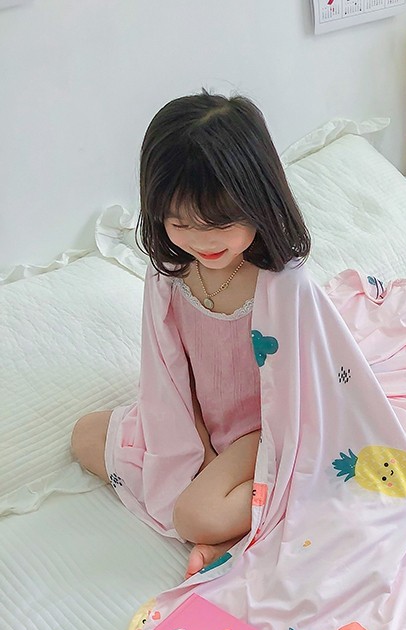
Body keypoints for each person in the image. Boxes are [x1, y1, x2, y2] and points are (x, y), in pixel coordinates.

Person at [71, 92, 310, 579]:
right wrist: (197, 454)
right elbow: (167, 376)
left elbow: (302, 395)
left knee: (194, 514)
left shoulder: (281, 284)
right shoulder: (169, 276)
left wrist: (214, 474)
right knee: (85, 435)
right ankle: (232, 516)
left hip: (269, 427)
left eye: (222, 223)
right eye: (180, 223)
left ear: (260, 202)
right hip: (201, 421)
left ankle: (243, 522)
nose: (203, 242)